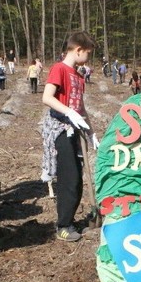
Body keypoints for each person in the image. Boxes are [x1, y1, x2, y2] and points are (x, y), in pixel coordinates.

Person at [40, 31, 99, 242]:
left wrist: (91, 133)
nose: (88, 59)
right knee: (69, 178)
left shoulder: (78, 75)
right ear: (78, 50)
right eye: (88, 54)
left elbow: (80, 108)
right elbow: (47, 97)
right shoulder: (59, 69)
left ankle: (70, 220)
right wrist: (68, 112)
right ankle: (63, 225)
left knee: (76, 178)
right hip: (60, 129)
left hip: (75, 129)